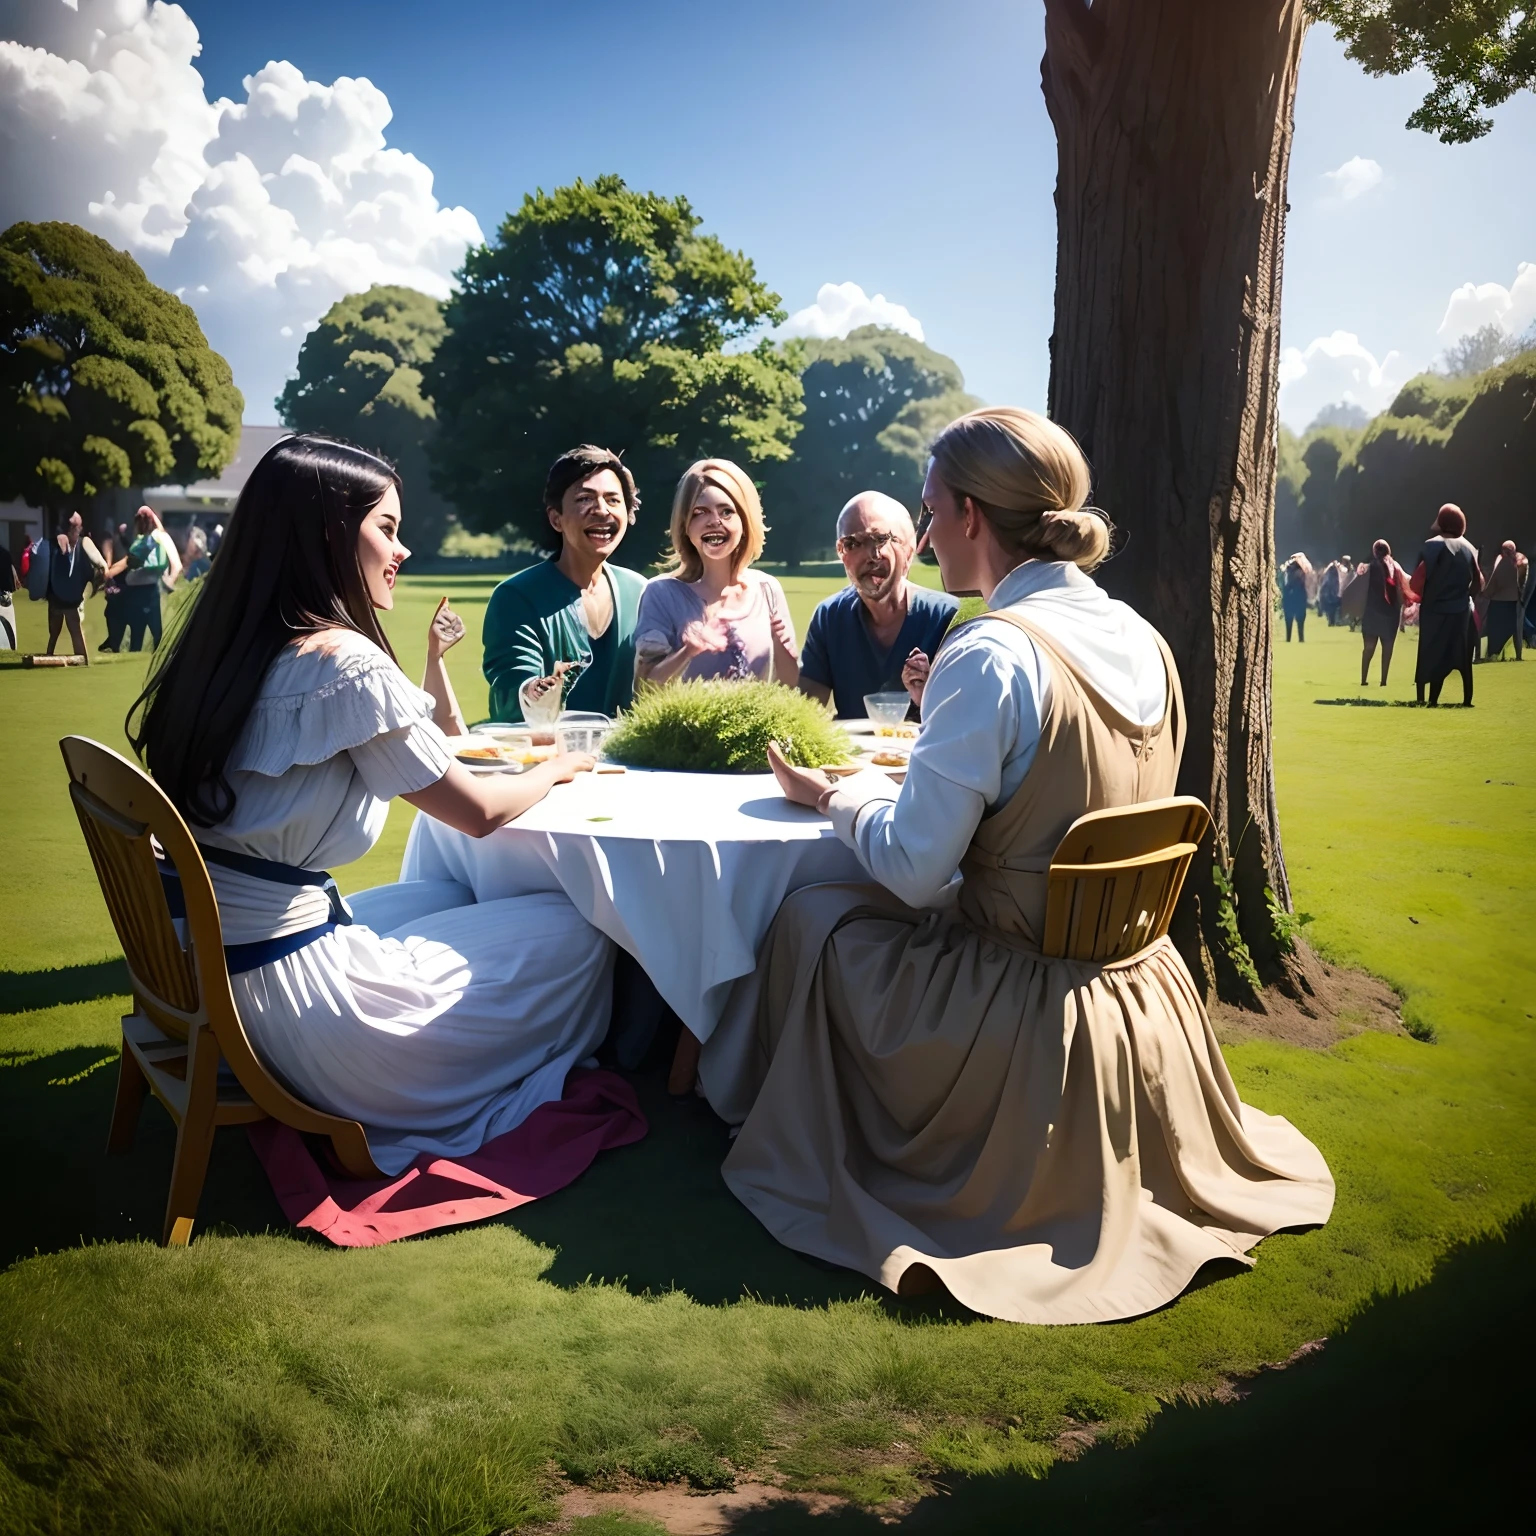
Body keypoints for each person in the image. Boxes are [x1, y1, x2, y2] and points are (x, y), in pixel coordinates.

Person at [699, 405, 1333, 1326]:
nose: (921, 536)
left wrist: (836, 797)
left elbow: (917, 874)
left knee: (814, 915)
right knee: (840, 897)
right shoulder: (1143, 638)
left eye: (927, 511)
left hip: (1015, 993)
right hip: (1133, 977)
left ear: (967, 515)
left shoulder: (991, 651)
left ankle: (777, 1130)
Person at [128, 434, 615, 1175]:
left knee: (446, 892)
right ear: (327, 534)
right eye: (386, 527)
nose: (403, 550)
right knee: (577, 930)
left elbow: (414, 761)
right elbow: (480, 813)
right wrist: (559, 769)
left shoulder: (229, 648)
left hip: (219, 968)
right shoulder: (344, 664)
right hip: (308, 1019)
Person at [482, 445, 648, 723]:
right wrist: (536, 691)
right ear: (555, 519)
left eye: (613, 499)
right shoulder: (517, 596)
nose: (601, 510)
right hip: (550, 759)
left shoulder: (641, 591)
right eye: (585, 498)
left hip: (629, 763)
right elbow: (510, 689)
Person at [634, 459, 798, 687]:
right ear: (685, 525)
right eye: (700, 512)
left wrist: (780, 644)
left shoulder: (767, 590)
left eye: (727, 511)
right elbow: (643, 690)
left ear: (745, 521)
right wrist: (688, 652)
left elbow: (790, 687)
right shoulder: (661, 593)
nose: (714, 521)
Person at [797, 492, 958, 717]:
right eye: (852, 543)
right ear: (841, 554)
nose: (870, 556)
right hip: (853, 752)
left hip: (922, 752)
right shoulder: (830, 617)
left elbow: (965, 717)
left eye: (881, 539)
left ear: (909, 551)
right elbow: (805, 711)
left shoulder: (947, 617)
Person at [1411, 504, 1482, 706]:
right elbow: (1478, 582)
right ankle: (1467, 698)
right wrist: (1467, 596)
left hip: (1433, 611)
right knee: (1462, 658)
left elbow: (1417, 581)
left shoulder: (1430, 546)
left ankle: (1428, 698)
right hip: (1460, 611)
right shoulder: (1469, 548)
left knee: (1431, 652)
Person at [104, 506, 181, 652]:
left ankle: (158, 652)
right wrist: (108, 573)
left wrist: (169, 582)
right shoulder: (140, 540)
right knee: (135, 627)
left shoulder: (159, 536)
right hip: (135, 589)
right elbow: (128, 561)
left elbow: (176, 564)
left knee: (154, 627)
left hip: (150, 588)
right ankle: (119, 645)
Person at [45, 512, 105, 662]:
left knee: (75, 629)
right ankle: (48, 657)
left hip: (72, 598)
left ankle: (83, 660)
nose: (71, 530)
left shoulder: (84, 543)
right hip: (56, 596)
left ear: (80, 528)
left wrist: (99, 578)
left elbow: (100, 564)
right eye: (69, 526)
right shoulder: (55, 543)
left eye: (74, 527)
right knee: (54, 631)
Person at [1360, 539, 1407, 686]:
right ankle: (1383, 681)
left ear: (1375, 552)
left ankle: (1363, 680)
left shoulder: (1368, 568)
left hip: (1371, 613)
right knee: (1387, 649)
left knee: (1368, 648)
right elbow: (1403, 589)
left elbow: (1359, 590)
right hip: (1390, 615)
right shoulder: (1396, 568)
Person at [1481, 541, 1524, 661]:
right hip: (1514, 602)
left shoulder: (1502, 562)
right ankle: (1514, 655)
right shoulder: (1521, 562)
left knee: (1495, 630)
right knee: (1512, 630)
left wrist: (1486, 594)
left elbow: (1495, 582)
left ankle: (1494, 654)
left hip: (1498, 602)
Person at [1280, 554, 1310, 642]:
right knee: (1300, 620)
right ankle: (1300, 639)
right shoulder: (1301, 572)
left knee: (1289, 620)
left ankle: (1289, 638)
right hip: (1298, 598)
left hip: (1290, 598)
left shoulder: (1288, 571)